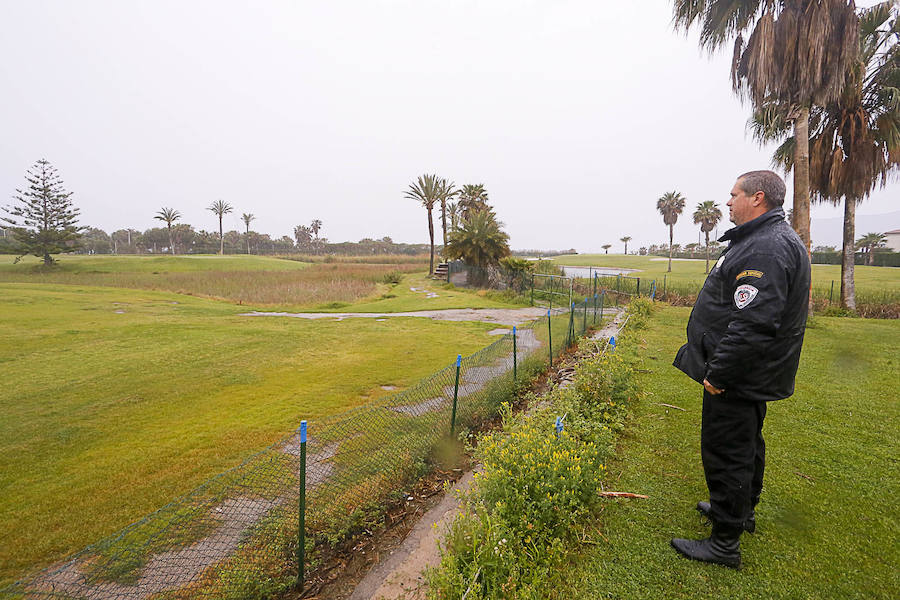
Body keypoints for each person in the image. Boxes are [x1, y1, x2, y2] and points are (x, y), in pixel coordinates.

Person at [670, 170, 811, 569]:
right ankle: (740, 510)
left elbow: (752, 324)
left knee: (727, 450)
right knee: (747, 443)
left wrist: (719, 374)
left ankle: (724, 541)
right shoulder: (764, 240)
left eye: (734, 195)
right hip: (752, 374)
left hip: (738, 375)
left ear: (758, 198)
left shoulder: (765, 248)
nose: (727, 202)